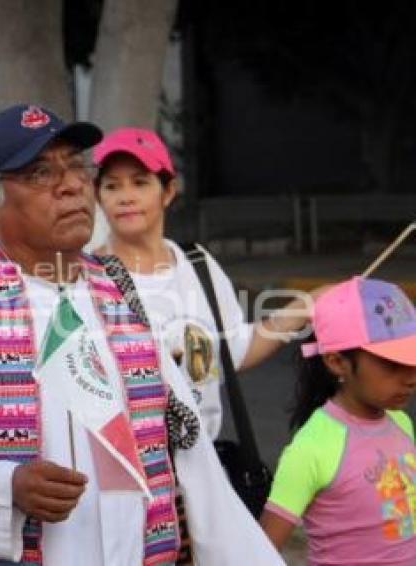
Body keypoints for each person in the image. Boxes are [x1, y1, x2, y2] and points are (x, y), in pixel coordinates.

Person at [0, 103, 283, 565]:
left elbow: (191, 454)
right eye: (41, 173)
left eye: (77, 167)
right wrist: (5, 488)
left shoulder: (120, 297)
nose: (71, 185)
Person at [92, 127, 316, 438]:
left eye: (140, 183)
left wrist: (306, 305)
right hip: (126, 473)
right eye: (112, 186)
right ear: (99, 197)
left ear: (168, 191)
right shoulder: (87, 277)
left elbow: (235, 349)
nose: (126, 197)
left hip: (204, 467)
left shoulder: (196, 263)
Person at [261, 277, 416, 565]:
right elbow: (259, 552)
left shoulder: (401, 423)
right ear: (336, 362)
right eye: (393, 364)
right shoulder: (312, 447)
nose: (410, 377)